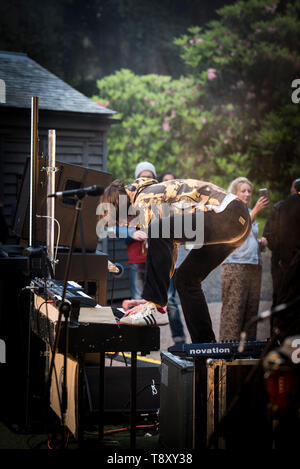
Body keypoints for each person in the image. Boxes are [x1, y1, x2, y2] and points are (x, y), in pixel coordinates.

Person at [98, 176, 252, 343]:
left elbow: (158, 238)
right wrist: (155, 297)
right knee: (186, 280)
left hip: (228, 215)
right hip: (237, 224)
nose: (127, 225)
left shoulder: (145, 198)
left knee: (157, 230)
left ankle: (155, 306)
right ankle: (205, 346)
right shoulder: (151, 196)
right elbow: (168, 249)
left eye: (122, 221)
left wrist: (154, 302)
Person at [219, 177, 269, 342]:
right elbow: (239, 229)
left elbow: (246, 237)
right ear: (234, 193)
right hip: (235, 266)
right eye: (243, 191)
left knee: (250, 313)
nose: (247, 194)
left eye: (249, 191)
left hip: (253, 265)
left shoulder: (248, 212)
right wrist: (255, 212)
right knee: (233, 314)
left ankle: (247, 355)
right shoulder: (229, 210)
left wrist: (259, 242)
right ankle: (228, 356)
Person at [263, 178, 300, 338]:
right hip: (289, 267)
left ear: (292, 190)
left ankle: (276, 342)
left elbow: (270, 237)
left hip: (282, 267)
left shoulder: (280, 208)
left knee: (280, 304)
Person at [121, 161, 157, 299]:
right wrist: (132, 233)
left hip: (158, 258)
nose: (146, 180)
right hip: (137, 258)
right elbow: (117, 230)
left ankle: (174, 322)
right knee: (138, 298)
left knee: (165, 300)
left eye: (149, 177)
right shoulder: (129, 202)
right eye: (143, 177)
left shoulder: (163, 200)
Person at [158, 171, 186, 345]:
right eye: (166, 181)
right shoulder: (156, 205)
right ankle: (145, 338)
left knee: (171, 300)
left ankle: (179, 338)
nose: (169, 183)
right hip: (160, 260)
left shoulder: (183, 204)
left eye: (172, 180)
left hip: (178, 261)